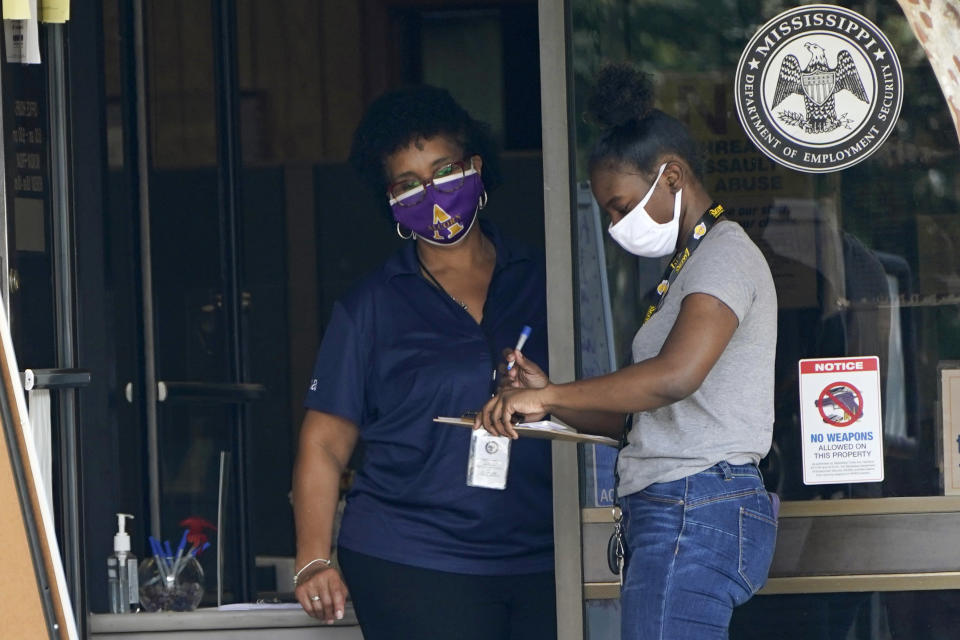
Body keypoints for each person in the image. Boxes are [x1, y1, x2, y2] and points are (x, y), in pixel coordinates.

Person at [477, 63, 778, 639]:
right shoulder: (688, 268)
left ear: (671, 176)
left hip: (695, 503)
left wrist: (556, 392)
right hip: (684, 504)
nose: (616, 224)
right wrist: (548, 402)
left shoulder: (724, 255)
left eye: (620, 205)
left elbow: (674, 377)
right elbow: (641, 417)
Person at [292, 85, 556, 640]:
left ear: (476, 167)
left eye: (445, 170)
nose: (432, 192)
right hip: (413, 558)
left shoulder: (544, 279)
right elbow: (323, 443)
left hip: (547, 556)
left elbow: (608, 402)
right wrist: (313, 557)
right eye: (409, 183)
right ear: (390, 198)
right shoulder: (372, 305)